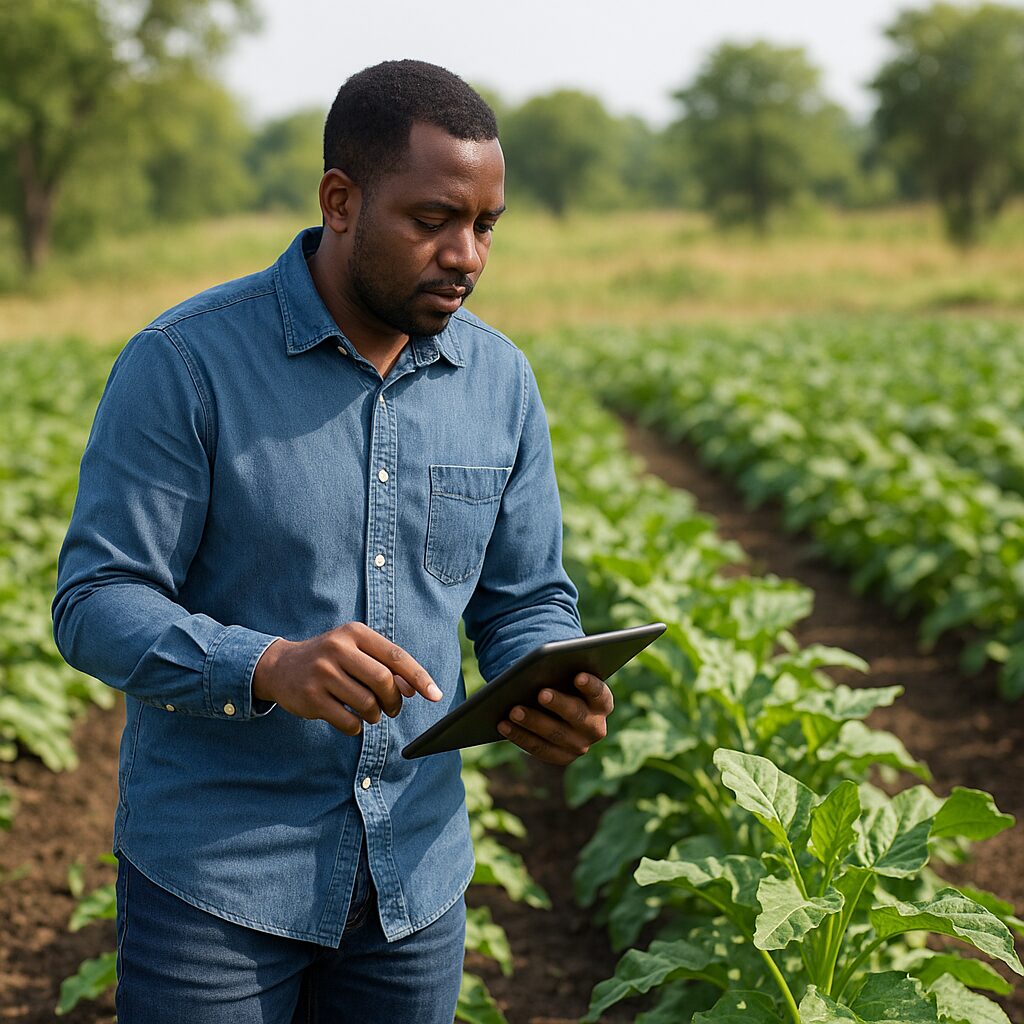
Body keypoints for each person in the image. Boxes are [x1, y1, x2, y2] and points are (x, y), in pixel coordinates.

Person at [52, 59, 613, 1023]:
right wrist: (265, 664)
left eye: (485, 226)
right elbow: (95, 601)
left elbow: (525, 600)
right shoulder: (185, 364)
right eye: (433, 220)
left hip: (415, 883)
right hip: (217, 886)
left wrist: (543, 684)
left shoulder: (501, 383)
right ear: (340, 200)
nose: (467, 255)